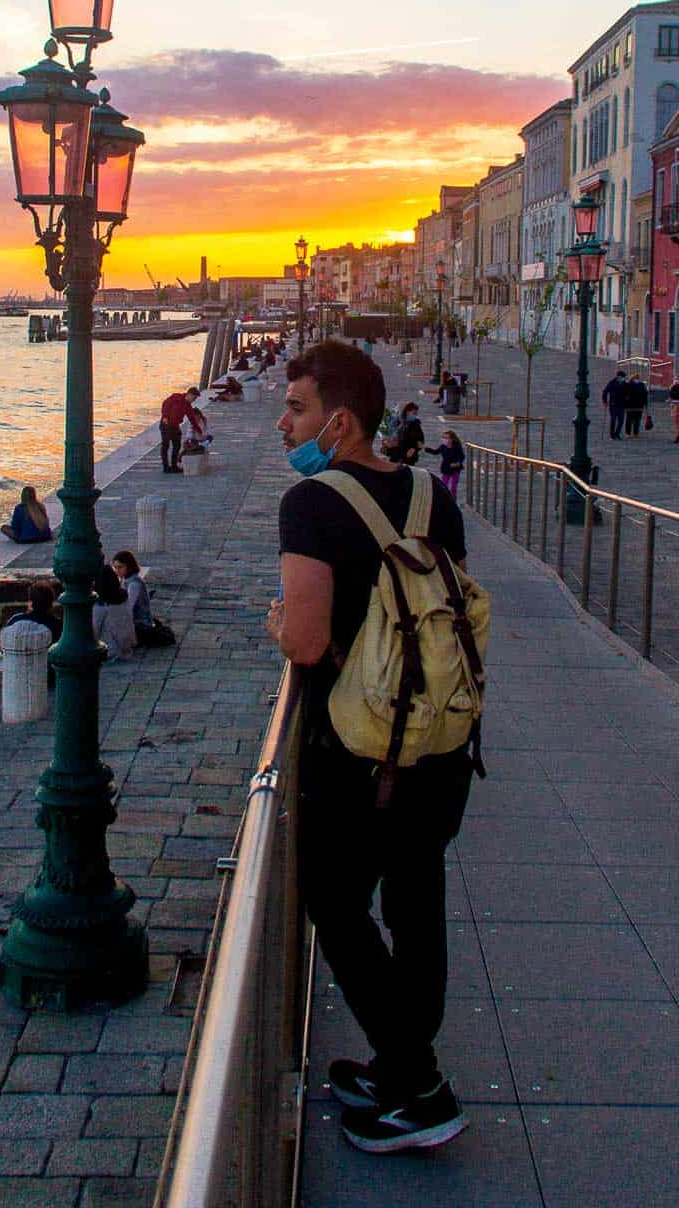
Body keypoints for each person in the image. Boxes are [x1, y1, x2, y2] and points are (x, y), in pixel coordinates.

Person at [269, 340, 471, 1154]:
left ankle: (419, 1084)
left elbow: (309, 642)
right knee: (416, 906)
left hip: (355, 756)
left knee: (336, 906)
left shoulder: (313, 503)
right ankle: (399, 1069)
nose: (284, 423)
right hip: (441, 746)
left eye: (297, 407)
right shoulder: (431, 494)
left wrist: (277, 621)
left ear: (340, 419)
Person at [112, 550, 176, 647]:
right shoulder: (125, 579)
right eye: (115, 567)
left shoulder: (134, 584)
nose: (117, 571)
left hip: (141, 624)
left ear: (129, 566)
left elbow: (128, 608)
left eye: (120, 567)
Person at [93, 564, 136, 657]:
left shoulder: (100, 605)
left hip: (110, 650)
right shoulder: (123, 596)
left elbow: (94, 632)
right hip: (126, 646)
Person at [160, 385, 206, 474]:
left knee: (177, 446)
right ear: (189, 394)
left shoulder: (188, 406)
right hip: (166, 424)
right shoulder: (176, 397)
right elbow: (165, 404)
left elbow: (192, 419)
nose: (194, 400)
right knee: (165, 446)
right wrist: (165, 416)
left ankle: (174, 466)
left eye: (195, 399)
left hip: (175, 426)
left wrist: (200, 431)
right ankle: (166, 467)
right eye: (194, 397)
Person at [426, 428, 466, 501]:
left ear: (451, 439)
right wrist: (425, 449)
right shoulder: (443, 446)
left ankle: (453, 501)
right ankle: (444, 500)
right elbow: (435, 452)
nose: (444, 439)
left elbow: (462, 456)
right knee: (444, 485)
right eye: (443, 437)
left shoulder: (457, 446)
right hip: (446, 468)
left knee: (453, 487)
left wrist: (458, 463)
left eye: (446, 438)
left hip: (455, 469)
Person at [387, 402, 426, 467]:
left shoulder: (416, 424)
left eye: (416, 414)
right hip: (395, 455)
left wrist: (414, 449)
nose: (415, 415)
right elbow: (388, 436)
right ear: (407, 412)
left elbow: (420, 440)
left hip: (409, 458)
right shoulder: (396, 421)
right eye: (414, 413)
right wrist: (387, 442)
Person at [602, 369, 627, 440]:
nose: (623, 378)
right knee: (613, 419)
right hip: (613, 404)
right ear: (618, 377)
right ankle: (612, 435)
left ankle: (617, 434)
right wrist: (605, 402)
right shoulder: (611, 383)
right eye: (622, 377)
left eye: (623, 377)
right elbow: (605, 392)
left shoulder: (625, 383)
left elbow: (628, 393)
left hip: (622, 404)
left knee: (621, 420)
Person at [623, 373, 649, 438]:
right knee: (629, 420)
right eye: (636, 378)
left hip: (639, 405)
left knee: (637, 420)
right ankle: (628, 433)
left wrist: (645, 404)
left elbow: (645, 395)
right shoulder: (628, 385)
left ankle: (636, 433)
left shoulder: (642, 385)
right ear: (632, 378)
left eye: (638, 378)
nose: (637, 379)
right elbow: (625, 394)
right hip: (630, 405)